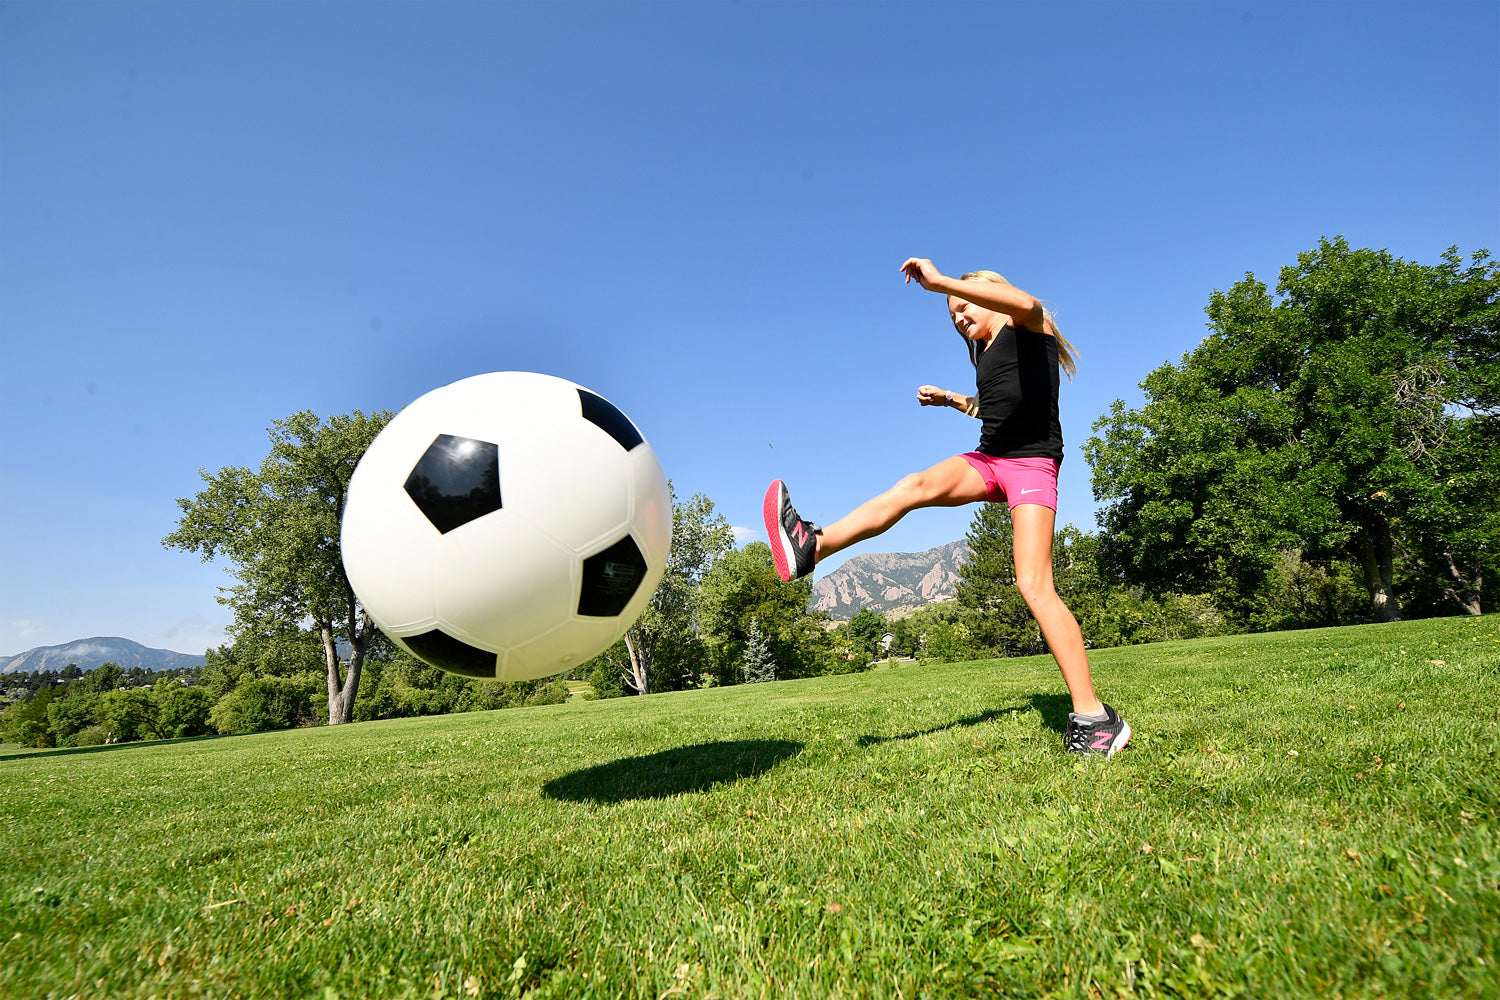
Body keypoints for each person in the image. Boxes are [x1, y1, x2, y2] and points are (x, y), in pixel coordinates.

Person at [764, 258, 1131, 757]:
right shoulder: (983, 351)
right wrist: (952, 401)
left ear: (988, 296)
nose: (958, 317)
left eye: (963, 307)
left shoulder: (1030, 325)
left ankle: (1095, 717)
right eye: (951, 313)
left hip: (1031, 466)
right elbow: (996, 407)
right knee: (913, 485)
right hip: (989, 459)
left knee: (1034, 585)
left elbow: (1029, 303)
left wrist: (940, 284)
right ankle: (813, 546)